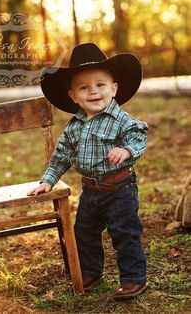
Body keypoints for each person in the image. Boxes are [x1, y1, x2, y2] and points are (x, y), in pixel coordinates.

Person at [27, 43, 148, 300]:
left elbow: (139, 139)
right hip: (91, 192)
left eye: (100, 85)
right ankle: (91, 271)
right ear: (73, 95)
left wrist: (126, 151)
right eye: (84, 87)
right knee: (84, 233)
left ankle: (133, 279)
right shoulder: (74, 126)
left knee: (124, 233)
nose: (94, 91)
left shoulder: (122, 121)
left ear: (114, 89)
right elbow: (61, 156)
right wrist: (48, 181)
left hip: (120, 188)